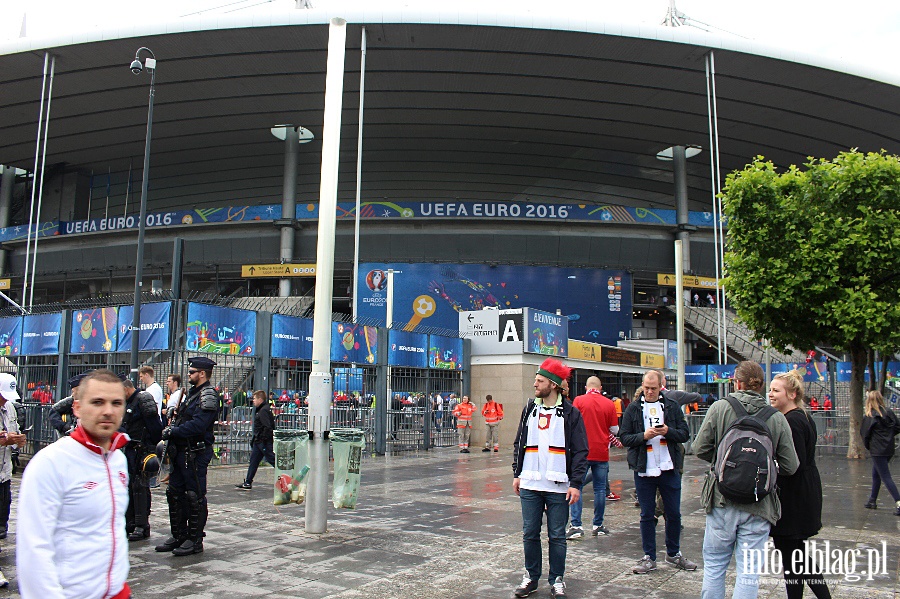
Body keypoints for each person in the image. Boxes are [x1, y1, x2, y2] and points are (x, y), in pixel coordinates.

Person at [17, 369, 131, 599]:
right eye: (97, 402)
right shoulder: (50, 463)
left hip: (117, 592)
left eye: (116, 403)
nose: (108, 411)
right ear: (77, 408)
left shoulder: (118, 458)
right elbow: (33, 550)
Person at [693, 361, 799, 599]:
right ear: (761, 386)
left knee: (714, 566)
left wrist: (723, 463)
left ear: (737, 383)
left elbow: (699, 448)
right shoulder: (777, 418)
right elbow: (791, 465)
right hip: (759, 504)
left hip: (721, 499)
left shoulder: (720, 408)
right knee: (749, 572)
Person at [512, 358, 588, 599]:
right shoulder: (529, 409)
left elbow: (580, 450)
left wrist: (576, 483)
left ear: (553, 384)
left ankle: (556, 579)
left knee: (557, 536)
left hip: (559, 486)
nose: (535, 384)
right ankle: (531, 577)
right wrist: (517, 473)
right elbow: (519, 443)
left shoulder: (570, 413)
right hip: (530, 483)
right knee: (529, 533)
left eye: (540, 380)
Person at [619, 370, 697, 574]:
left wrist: (667, 431)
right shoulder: (634, 409)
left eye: (653, 388)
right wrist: (643, 436)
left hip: (668, 467)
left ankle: (674, 553)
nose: (650, 391)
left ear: (661, 386)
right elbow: (625, 437)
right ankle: (648, 556)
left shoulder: (671, 406)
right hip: (644, 468)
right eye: (646, 388)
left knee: (673, 513)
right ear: (642, 385)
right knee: (647, 513)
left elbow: (685, 434)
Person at [768, 371, 831, 599]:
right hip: (800, 493)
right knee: (795, 556)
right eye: (771, 390)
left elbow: (793, 464)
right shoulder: (800, 416)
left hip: (794, 498)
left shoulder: (792, 421)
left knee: (794, 556)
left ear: (792, 394)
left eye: (776, 390)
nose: (770, 394)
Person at [156, 357, 220, 557]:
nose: (189, 375)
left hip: (195, 453)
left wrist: (174, 432)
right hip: (181, 452)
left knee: (194, 496)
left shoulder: (208, 394)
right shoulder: (192, 394)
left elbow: (199, 426)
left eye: (192, 372)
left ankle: (194, 539)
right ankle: (179, 535)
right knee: (175, 494)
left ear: (202, 373)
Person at [565, 376, 618, 539]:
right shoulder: (609, 404)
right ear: (600, 387)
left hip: (582, 452)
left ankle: (576, 525)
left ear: (586, 387)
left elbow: (571, 424)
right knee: (600, 489)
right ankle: (598, 525)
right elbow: (615, 430)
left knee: (577, 487)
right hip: (601, 451)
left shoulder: (579, 401)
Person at [121, 378, 163, 542]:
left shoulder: (143, 399)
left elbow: (155, 427)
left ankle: (141, 524)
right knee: (130, 487)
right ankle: (130, 522)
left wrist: (151, 448)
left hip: (143, 449)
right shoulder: (129, 402)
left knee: (140, 487)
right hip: (130, 448)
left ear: (126, 389)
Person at [0, 373, 25, 587]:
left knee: (2, 520)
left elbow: (13, 433)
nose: (5, 399)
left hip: (4, 472)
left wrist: (18, 441)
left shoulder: (9, 408)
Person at [861, 389, 900, 515]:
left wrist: (869, 446)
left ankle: (899, 502)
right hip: (888, 448)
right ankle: (872, 500)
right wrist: (889, 436)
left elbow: (865, 434)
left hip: (877, 449)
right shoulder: (889, 413)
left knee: (886, 476)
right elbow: (897, 427)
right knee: (876, 474)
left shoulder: (869, 415)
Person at [236, 390, 275, 490]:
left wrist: (263, 439)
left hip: (263, 442)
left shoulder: (263, 411)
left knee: (272, 459)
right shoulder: (262, 409)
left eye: (254, 398)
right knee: (253, 461)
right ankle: (248, 482)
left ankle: (287, 477)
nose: (253, 401)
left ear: (260, 399)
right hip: (259, 442)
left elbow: (267, 426)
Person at [49, 371, 91, 436]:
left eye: (73, 391)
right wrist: (64, 427)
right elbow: (54, 411)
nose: (72, 394)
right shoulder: (70, 401)